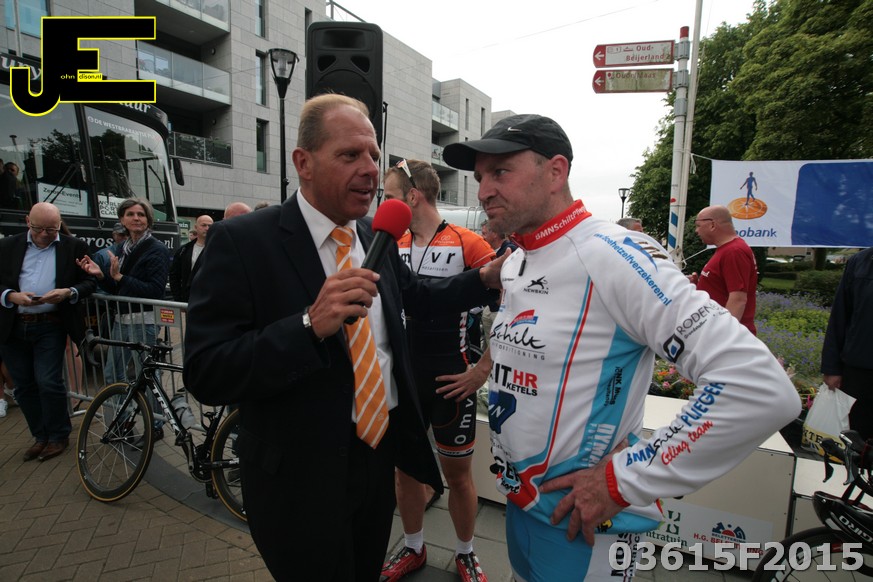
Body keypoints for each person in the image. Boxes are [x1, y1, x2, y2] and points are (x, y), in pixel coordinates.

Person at [440, 113, 800, 580]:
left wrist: (623, 479)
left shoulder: (613, 254)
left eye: (501, 171)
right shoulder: (515, 261)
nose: (484, 190)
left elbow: (758, 387)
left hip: (583, 523)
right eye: (480, 177)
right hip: (521, 504)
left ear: (556, 171)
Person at [182, 94, 502, 582]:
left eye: (373, 154)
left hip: (377, 459)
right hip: (299, 477)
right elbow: (207, 370)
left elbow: (418, 297)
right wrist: (307, 325)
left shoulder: (377, 235)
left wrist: (484, 278)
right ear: (303, 163)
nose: (370, 169)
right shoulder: (243, 242)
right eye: (350, 155)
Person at [380, 159, 495, 582]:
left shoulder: (468, 242)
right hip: (404, 383)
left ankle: (465, 553)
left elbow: (515, 308)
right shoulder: (390, 245)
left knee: (459, 477)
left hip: (452, 381)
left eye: (389, 196)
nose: (383, 205)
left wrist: (481, 370)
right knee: (405, 471)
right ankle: (413, 547)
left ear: (412, 197)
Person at [0, 202, 96, 461]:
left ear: (59, 224)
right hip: (13, 325)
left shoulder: (74, 247)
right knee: (23, 386)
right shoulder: (7, 246)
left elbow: (90, 281)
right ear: (27, 221)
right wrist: (11, 296)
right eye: (38, 228)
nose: (44, 234)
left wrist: (68, 292)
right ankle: (40, 436)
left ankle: (58, 435)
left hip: (50, 324)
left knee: (48, 381)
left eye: (51, 229)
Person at [77, 198, 171, 436]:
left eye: (141, 214)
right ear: (122, 219)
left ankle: (156, 425)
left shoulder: (157, 249)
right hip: (121, 321)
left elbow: (154, 290)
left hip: (145, 323)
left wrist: (120, 278)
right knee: (112, 373)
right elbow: (117, 289)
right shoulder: (121, 249)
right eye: (130, 214)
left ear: (148, 220)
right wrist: (101, 276)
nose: (136, 218)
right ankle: (122, 421)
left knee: (147, 376)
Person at [821, 247, 873, 440]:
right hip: (860, 372)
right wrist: (831, 367)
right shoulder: (860, 262)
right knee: (856, 439)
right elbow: (840, 317)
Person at [689, 205, 758, 334]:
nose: (696, 231)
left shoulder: (734, 251)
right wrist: (699, 284)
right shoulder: (728, 249)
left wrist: (724, 335)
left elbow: (738, 299)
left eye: (698, 225)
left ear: (712, 225)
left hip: (726, 337)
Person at [479, 220, 517, 351]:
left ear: (494, 234)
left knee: (497, 348)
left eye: (484, 233)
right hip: (490, 306)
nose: (482, 237)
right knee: (487, 347)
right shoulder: (490, 251)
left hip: (501, 308)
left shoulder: (509, 250)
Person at [169, 214, 213, 302]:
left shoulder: (218, 249)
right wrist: (178, 298)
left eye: (210, 226)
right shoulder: (184, 250)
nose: (207, 228)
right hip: (187, 298)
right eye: (204, 225)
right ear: (196, 227)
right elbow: (174, 275)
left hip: (208, 300)